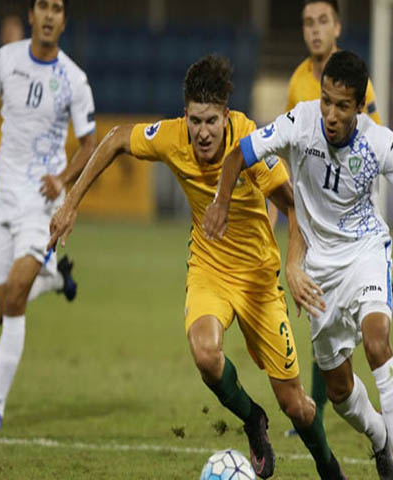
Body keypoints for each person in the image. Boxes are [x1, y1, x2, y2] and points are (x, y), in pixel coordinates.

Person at [48, 55, 348, 480]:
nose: (202, 132)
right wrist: (70, 204)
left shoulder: (251, 141)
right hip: (209, 268)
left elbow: (295, 209)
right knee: (206, 355)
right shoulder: (172, 138)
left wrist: (295, 267)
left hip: (260, 280)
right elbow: (115, 138)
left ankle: (329, 467)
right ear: (183, 116)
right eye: (194, 120)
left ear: (226, 115)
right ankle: (251, 419)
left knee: (297, 406)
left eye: (211, 120)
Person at [203, 50, 393, 480]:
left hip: (364, 253)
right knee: (340, 391)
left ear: (359, 108)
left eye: (341, 106)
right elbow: (237, 156)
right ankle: (380, 439)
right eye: (326, 100)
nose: (329, 113)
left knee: (378, 341)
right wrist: (221, 202)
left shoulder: (380, 142)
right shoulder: (300, 122)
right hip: (318, 270)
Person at [0, 0, 97, 430]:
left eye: (58, 8)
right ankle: (53, 278)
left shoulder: (73, 79)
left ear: (64, 20)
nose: (49, 15)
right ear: (31, 14)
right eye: (42, 6)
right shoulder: (4, 61)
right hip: (3, 200)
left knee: (13, 297)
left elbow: (89, 144)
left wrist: (63, 178)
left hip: (41, 206)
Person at [274, 0, 393, 437]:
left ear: (337, 27)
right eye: (308, 23)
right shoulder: (298, 82)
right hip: (315, 203)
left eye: (322, 22)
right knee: (320, 301)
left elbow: (370, 135)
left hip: (354, 201)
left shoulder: (352, 79)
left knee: (348, 292)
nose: (314, 31)